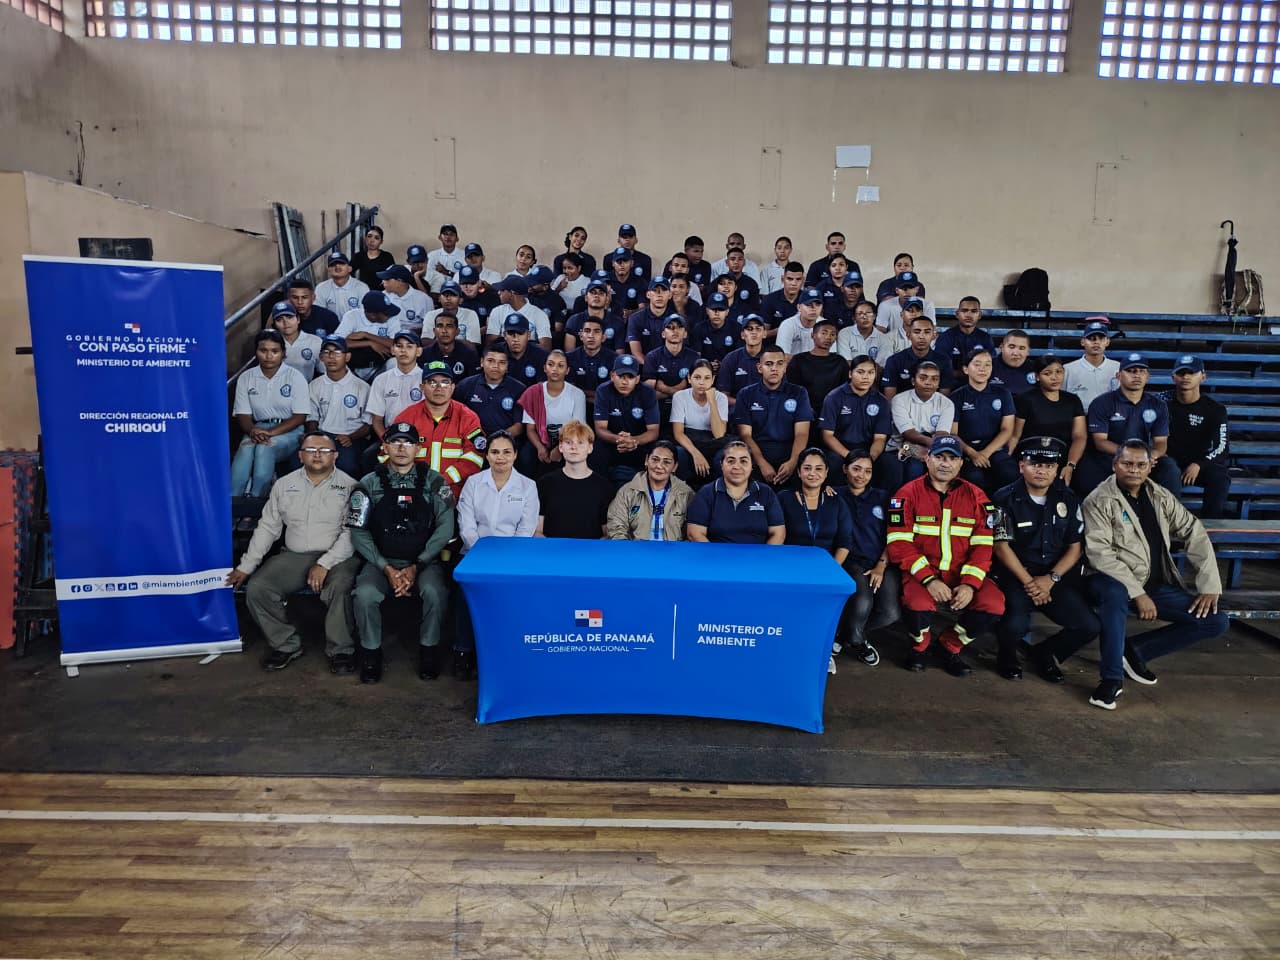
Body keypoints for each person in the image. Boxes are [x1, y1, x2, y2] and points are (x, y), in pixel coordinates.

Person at [1082, 439, 1229, 710]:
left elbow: (1193, 531)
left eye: (1141, 465)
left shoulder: (1160, 496)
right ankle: (1111, 679)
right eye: (1127, 463)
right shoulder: (1099, 500)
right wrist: (1138, 593)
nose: (1134, 470)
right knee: (1115, 596)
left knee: (1216, 621)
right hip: (1109, 582)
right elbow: (1100, 555)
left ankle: (1136, 650)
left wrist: (1210, 584)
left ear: (1151, 466)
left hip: (1154, 585)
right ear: (1115, 465)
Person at [226, 433, 361, 673]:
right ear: (300, 456)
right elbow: (268, 528)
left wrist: (324, 564)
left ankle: (341, 650)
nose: (317, 454)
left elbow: (351, 533)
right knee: (259, 588)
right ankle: (286, 644)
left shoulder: (351, 486)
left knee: (339, 587)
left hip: (338, 556)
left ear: (335, 456)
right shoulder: (284, 484)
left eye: (324, 450)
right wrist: (246, 566)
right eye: (310, 450)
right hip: (295, 556)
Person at [886, 435, 1005, 676]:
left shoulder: (977, 497)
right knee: (917, 604)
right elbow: (899, 544)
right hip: (922, 574)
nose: (945, 463)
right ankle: (920, 647)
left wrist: (970, 584)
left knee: (994, 604)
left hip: (962, 574)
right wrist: (929, 580)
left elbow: (983, 546)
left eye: (952, 458)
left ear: (961, 463)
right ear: (927, 459)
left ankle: (949, 646)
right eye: (940, 457)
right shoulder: (906, 494)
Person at [347, 422, 457, 684]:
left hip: (423, 562)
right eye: (395, 442)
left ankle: (429, 651)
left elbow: (446, 527)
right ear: (385, 447)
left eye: (408, 442)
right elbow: (358, 531)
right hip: (380, 561)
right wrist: (385, 568)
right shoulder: (368, 483)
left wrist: (418, 565)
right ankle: (371, 654)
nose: (401, 447)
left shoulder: (435, 481)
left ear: (418, 448)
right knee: (365, 594)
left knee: (435, 592)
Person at [990, 437, 1099, 682]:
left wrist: (1050, 579)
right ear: (1022, 466)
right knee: (1015, 623)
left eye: (1049, 466)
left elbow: (1075, 548)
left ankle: (1047, 653)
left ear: (1057, 469)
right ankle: (1007, 654)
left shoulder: (1067, 498)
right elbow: (1001, 547)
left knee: (1089, 625)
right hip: (1016, 576)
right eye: (1035, 464)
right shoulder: (1003, 498)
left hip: (1053, 578)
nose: (1042, 471)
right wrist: (1030, 583)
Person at [453, 430, 539, 679]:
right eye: (495, 452)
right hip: (474, 555)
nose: (500, 457)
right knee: (465, 599)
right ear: (487, 455)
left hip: (513, 559)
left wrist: (505, 561)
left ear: (515, 455)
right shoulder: (473, 483)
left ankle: (504, 654)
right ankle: (463, 651)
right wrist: (483, 558)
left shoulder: (528, 486)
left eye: (506, 452)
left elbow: (526, 528)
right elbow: (466, 526)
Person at [1076, 352, 1181, 495]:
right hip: (1110, 457)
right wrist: (1130, 455)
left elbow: (1161, 441)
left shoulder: (1158, 405)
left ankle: (1170, 509)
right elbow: (1100, 442)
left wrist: (1153, 455)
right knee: (1087, 469)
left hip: (1143, 458)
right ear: (1119, 376)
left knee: (1170, 468)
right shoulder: (1102, 403)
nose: (1137, 375)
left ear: (1147, 376)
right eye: (1131, 371)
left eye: (1141, 371)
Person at [834, 449, 900, 667]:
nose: (861, 475)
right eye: (856, 469)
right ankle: (857, 640)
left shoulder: (883, 498)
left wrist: (881, 566)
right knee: (862, 602)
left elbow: (895, 535)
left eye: (867, 471)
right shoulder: (833, 495)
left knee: (890, 613)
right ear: (845, 469)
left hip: (881, 561)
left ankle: (845, 635)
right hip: (851, 562)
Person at [231, 329, 311, 498]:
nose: (268, 356)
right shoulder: (246, 377)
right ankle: (233, 501)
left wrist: (270, 433)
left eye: (274, 351)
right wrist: (253, 430)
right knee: (245, 449)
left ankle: (257, 500)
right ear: (256, 352)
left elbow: (300, 417)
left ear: (283, 353)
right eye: (263, 350)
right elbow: (243, 415)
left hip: (290, 430)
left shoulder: (295, 377)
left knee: (264, 448)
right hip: (257, 428)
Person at [391, 360, 486, 499]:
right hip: (412, 491)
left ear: (452, 387)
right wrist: (411, 481)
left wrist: (442, 481)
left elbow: (475, 457)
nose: (439, 388)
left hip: (455, 493)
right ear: (422, 387)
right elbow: (387, 454)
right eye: (432, 382)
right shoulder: (406, 418)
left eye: (445, 382)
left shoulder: (468, 418)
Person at [731, 344, 813, 486]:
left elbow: (802, 433)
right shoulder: (745, 394)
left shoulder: (799, 392)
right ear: (759, 368)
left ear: (785, 367)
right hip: (756, 451)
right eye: (769, 364)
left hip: (790, 450)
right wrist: (761, 463)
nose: (774, 368)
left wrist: (793, 462)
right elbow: (745, 435)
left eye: (779, 364)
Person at [1163, 355, 1231, 518]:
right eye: (1181, 373)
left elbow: (1222, 447)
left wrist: (1199, 464)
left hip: (1197, 464)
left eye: (1191, 373)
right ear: (1173, 377)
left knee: (1220, 477)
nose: (1186, 377)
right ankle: (1171, 523)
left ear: (1203, 377)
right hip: (1166, 461)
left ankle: (1210, 527)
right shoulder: (1160, 402)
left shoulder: (1215, 409)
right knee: (1168, 469)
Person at [1010, 353, 1087, 489]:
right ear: (1037, 377)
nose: (1054, 377)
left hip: (1064, 456)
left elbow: (1079, 437)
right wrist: (1008, 456)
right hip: (1034, 456)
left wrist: (1070, 464)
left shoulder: (1073, 400)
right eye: (1047, 373)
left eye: (1059, 372)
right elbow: (1016, 435)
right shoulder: (1026, 399)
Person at [686, 440, 786, 544]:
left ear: (752, 466)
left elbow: (778, 534)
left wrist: (764, 554)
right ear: (721, 464)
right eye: (730, 461)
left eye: (743, 461)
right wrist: (715, 554)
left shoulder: (766, 493)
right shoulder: (706, 493)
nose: (737, 466)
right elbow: (694, 534)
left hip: (758, 554)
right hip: (716, 553)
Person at [949, 347, 1017, 492]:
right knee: (974, 477)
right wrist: (973, 454)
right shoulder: (956, 397)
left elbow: (1007, 429)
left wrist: (985, 453)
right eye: (977, 364)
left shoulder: (1003, 394)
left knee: (1009, 473)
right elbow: (953, 434)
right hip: (967, 451)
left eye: (987, 364)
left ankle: (1002, 507)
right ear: (966, 369)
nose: (983, 369)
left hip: (995, 449)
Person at [536, 419, 616, 539]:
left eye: (580, 442)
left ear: (590, 448)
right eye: (568, 442)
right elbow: (537, 531)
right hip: (552, 549)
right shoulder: (544, 484)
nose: (574, 447)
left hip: (591, 550)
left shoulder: (605, 488)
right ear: (561, 447)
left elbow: (607, 534)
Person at [305, 335, 371, 479]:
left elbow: (368, 425)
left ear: (347, 357)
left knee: (347, 465)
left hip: (352, 437)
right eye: (327, 352)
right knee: (299, 461)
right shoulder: (314, 385)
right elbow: (312, 418)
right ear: (321, 357)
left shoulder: (362, 387)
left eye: (337, 352)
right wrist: (314, 437)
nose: (331, 357)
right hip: (323, 435)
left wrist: (351, 437)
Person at [886, 360, 955, 491]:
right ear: (913, 381)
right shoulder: (899, 400)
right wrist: (928, 446)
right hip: (900, 447)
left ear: (939, 383)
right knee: (914, 468)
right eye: (923, 378)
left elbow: (942, 434)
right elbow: (908, 433)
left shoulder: (946, 403)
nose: (928, 383)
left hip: (934, 448)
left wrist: (933, 450)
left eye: (934, 379)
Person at [819, 354, 892, 478]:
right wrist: (850, 457)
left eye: (871, 372)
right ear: (850, 374)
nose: (866, 377)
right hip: (840, 449)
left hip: (869, 449)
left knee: (891, 464)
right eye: (860, 372)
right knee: (833, 462)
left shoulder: (882, 401)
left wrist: (869, 458)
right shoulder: (834, 397)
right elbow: (827, 436)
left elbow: (880, 438)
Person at [592, 353, 660, 483]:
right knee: (594, 450)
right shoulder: (603, 390)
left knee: (658, 450)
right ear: (612, 376)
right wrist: (619, 440)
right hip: (612, 443)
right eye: (620, 376)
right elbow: (600, 429)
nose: (625, 381)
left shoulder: (648, 392)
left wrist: (634, 441)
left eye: (630, 377)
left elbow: (653, 431)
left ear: (637, 379)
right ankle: (601, 488)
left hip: (639, 443)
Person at [606, 440, 694, 540]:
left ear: (674, 467)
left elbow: (693, 531)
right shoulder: (627, 491)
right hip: (635, 548)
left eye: (666, 462)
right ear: (646, 460)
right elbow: (616, 527)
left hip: (673, 549)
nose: (659, 466)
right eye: (655, 459)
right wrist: (627, 549)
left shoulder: (686, 493)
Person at [518, 350, 587, 476]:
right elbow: (530, 429)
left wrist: (560, 449)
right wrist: (540, 447)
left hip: (569, 440)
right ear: (545, 368)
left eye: (560, 365)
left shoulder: (577, 394)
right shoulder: (533, 392)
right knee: (526, 457)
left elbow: (578, 428)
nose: (555, 369)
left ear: (567, 370)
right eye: (551, 364)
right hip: (539, 439)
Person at [671, 359, 730, 483]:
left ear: (713, 380)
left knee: (723, 457)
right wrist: (696, 454)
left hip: (713, 442)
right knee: (679, 453)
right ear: (689, 378)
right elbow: (678, 433)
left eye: (707, 378)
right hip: (689, 439)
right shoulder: (680, 396)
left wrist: (712, 401)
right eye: (697, 377)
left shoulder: (721, 398)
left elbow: (719, 434)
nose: (702, 382)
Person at [364, 331, 424, 446]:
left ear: (419, 351)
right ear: (392, 350)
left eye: (409, 346)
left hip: (420, 435)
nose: (403, 350)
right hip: (390, 435)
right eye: (399, 346)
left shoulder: (426, 379)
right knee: (367, 455)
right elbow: (377, 419)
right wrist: (386, 441)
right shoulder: (381, 379)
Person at [456, 342, 527, 438]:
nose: (495, 366)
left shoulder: (519, 389)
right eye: (490, 361)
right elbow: (455, 417)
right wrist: (476, 438)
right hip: (471, 439)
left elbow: (520, 426)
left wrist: (499, 439)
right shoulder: (465, 386)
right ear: (482, 362)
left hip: (506, 441)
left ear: (507, 366)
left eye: (502, 362)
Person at [643, 314, 701, 427]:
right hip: (658, 407)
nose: (675, 331)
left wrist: (663, 388)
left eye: (679, 327)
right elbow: (649, 392)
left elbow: (696, 392)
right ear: (663, 334)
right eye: (670, 327)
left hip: (686, 407)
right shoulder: (652, 356)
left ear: (685, 333)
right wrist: (681, 389)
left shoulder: (694, 357)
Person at [880, 313, 954, 400]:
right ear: (908, 335)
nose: (921, 336)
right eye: (917, 332)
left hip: (933, 407)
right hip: (902, 407)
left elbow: (944, 398)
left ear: (934, 336)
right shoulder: (894, 361)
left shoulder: (944, 361)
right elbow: (890, 399)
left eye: (927, 332)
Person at [786, 317, 848, 415]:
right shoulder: (798, 360)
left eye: (832, 334)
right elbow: (792, 389)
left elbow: (844, 390)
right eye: (824, 333)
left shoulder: (840, 362)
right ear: (813, 335)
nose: (828, 337)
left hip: (833, 411)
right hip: (803, 411)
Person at [334, 291, 401, 380]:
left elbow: (397, 344)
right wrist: (369, 343)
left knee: (395, 362)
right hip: (353, 367)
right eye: (386, 313)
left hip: (380, 366)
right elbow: (337, 343)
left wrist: (366, 335)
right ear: (373, 315)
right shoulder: (352, 316)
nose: (389, 314)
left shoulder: (392, 318)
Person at [1063, 319, 1120, 413]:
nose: (1096, 342)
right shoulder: (1067, 369)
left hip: (1110, 418)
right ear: (1082, 341)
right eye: (1091, 338)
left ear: (1107, 342)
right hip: (1079, 418)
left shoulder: (1118, 368)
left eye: (1101, 338)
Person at [486, 275, 552, 349]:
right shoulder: (497, 311)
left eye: (502, 290)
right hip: (503, 354)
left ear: (511, 293)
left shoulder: (539, 314)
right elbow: (490, 344)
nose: (498, 293)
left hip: (531, 355)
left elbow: (546, 347)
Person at [933, 297, 994, 375]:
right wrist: (969, 374)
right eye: (964, 311)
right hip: (952, 382)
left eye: (974, 311)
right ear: (957, 314)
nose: (969, 315)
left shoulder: (985, 338)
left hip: (979, 380)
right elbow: (941, 368)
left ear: (979, 315)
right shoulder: (945, 337)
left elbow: (991, 365)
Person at [565, 315, 615, 408]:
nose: (591, 335)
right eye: (587, 331)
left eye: (596, 331)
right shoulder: (569, 358)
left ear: (603, 337)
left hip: (605, 407)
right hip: (575, 406)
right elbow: (570, 391)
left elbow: (612, 393)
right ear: (581, 336)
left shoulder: (614, 359)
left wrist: (583, 393)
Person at [716, 313, 766, 404]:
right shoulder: (730, 359)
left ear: (764, 334)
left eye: (758, 329)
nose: (754, 332)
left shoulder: (772, 359)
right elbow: (722, 395)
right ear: (742, 335)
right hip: (738, 408)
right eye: (749, 329)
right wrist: (743, 405)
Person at [627, 276, 677, 363]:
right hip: (644, 366)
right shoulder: (635, 318)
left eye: (664, 290)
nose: (659, 294)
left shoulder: (677, 320)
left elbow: (677, 350)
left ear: (670, 295)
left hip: (669, 366)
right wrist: (651, 367)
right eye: (655, 290)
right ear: (648, 294)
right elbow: (636, 352)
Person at [270, 300, 322, 380]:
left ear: (298, 319)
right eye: (279, 319)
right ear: (275, 324)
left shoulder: (315, 341)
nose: (285, 322)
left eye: (289, 317)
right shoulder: (270, 344)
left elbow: (324, 372)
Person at [420, 312, 480, 381]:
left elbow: (474, 383)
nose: (444, 331)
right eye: (440, 326)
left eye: (449, 326)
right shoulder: (424, 354)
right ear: (434, 331)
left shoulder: (469, 354)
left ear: (457, 331)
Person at [423, 281, 482, 346]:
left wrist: (446, 343)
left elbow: (473, 344)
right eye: (445, 295)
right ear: (439, 299)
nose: (448, 298)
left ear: (460, 300)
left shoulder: (470, 314)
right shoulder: (430, 315)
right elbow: (425, 341)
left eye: (453, 295)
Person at [315, 251, 370, 320]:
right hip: (331, 326)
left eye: (341, 263)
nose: (337, 266)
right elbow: (319, 315)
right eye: (332, 265)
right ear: (328, 270)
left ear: (349, 268)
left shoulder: (362, 287)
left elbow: (365, 316)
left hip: (356, 326)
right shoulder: (321, 288)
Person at [835, 300, 893, 365]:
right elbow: (846, 362)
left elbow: (880, 365)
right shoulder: (844, 333)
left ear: (874, 316)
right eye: (860, 314)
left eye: (868, 313)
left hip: (874, 371)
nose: (865, 317)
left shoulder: (884, 338)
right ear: (854, 318)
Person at [501, 314, 550, 388]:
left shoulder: (541, 356)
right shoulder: (495, 354)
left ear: (528, 335)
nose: (515, 339)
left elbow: (543, 388)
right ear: (504, 335)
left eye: (520, 333)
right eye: (511, 333)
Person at [775, 288, 824, 356]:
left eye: (817, 305)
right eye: (808, 305)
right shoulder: (787, 325)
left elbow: (830, 355)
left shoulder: (826, 325)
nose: (813, 309)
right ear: (799, 307)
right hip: (792, 362)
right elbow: (782, 356)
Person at [989, 330, 1037, 397]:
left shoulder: (1037, 368)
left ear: (1028, 351)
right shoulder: (988, 366)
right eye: (1011, 347)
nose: (1016, 353)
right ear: (1001, 347)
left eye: (1022, 348)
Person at [760, 261, 806, 333]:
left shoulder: (808, 300)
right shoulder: (769, 300)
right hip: (776, 340)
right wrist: (782, 330)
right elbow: (763, 333)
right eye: (789, 279)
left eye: (798, 279)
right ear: (782, 279)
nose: (794, 283)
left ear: (803, 281)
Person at [350, 225, 395, 290]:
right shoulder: (359, 256)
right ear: (365, 238)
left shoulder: (387, 257)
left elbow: (393, 276)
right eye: (369, 236)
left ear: (381, 241)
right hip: (364, 292)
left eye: (376, 238)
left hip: (383, 293)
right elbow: (348, 271)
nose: (372, 240)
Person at [425, 223, 466, 294]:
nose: (448, 237)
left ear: (457, 239)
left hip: (459, 293)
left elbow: (467, 278)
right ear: (439, 237)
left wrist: (447, 272)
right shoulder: (432, 256)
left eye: (451, 234)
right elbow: (427, 277)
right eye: (445, 234)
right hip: (437, 293)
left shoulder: (464, 255)